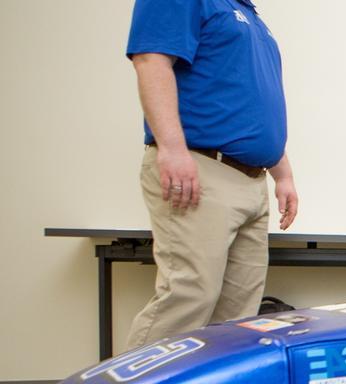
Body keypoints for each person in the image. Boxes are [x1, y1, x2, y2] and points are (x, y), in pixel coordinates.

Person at [124, 0, 299, 348]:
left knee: (236, 320)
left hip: (252, 180)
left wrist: (283, 175)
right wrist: (172, 149)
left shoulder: (249, 15)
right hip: (202, 170)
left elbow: (251, 100)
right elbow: (151, 60)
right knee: (188, 298)